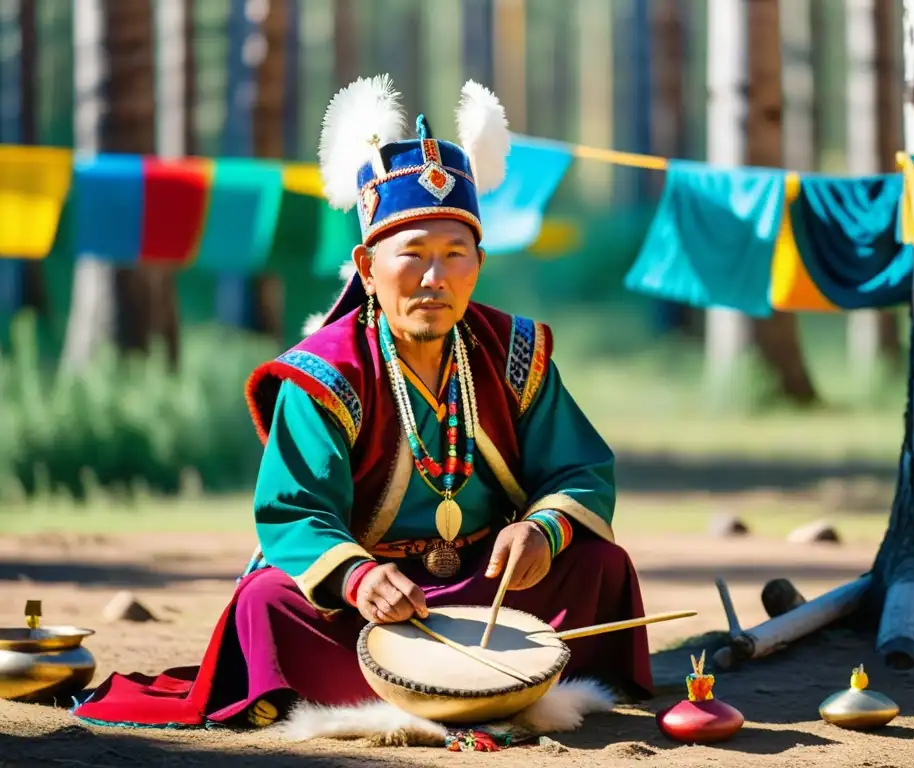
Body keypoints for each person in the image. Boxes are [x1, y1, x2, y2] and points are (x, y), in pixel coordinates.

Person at [71, 75, 653, 731]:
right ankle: (486, 684)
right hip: (368, 605)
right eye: (412, 255)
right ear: (367, 266)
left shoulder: (513, 352)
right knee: (266, 605)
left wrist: (542, 531)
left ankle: (480, 677)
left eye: (453, 254)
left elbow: (580, 470)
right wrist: (357, 578)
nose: (434, 278)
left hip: (492, 593)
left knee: (600, 565)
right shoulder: (327, 373)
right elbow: (294, 510)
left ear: (478, 265)